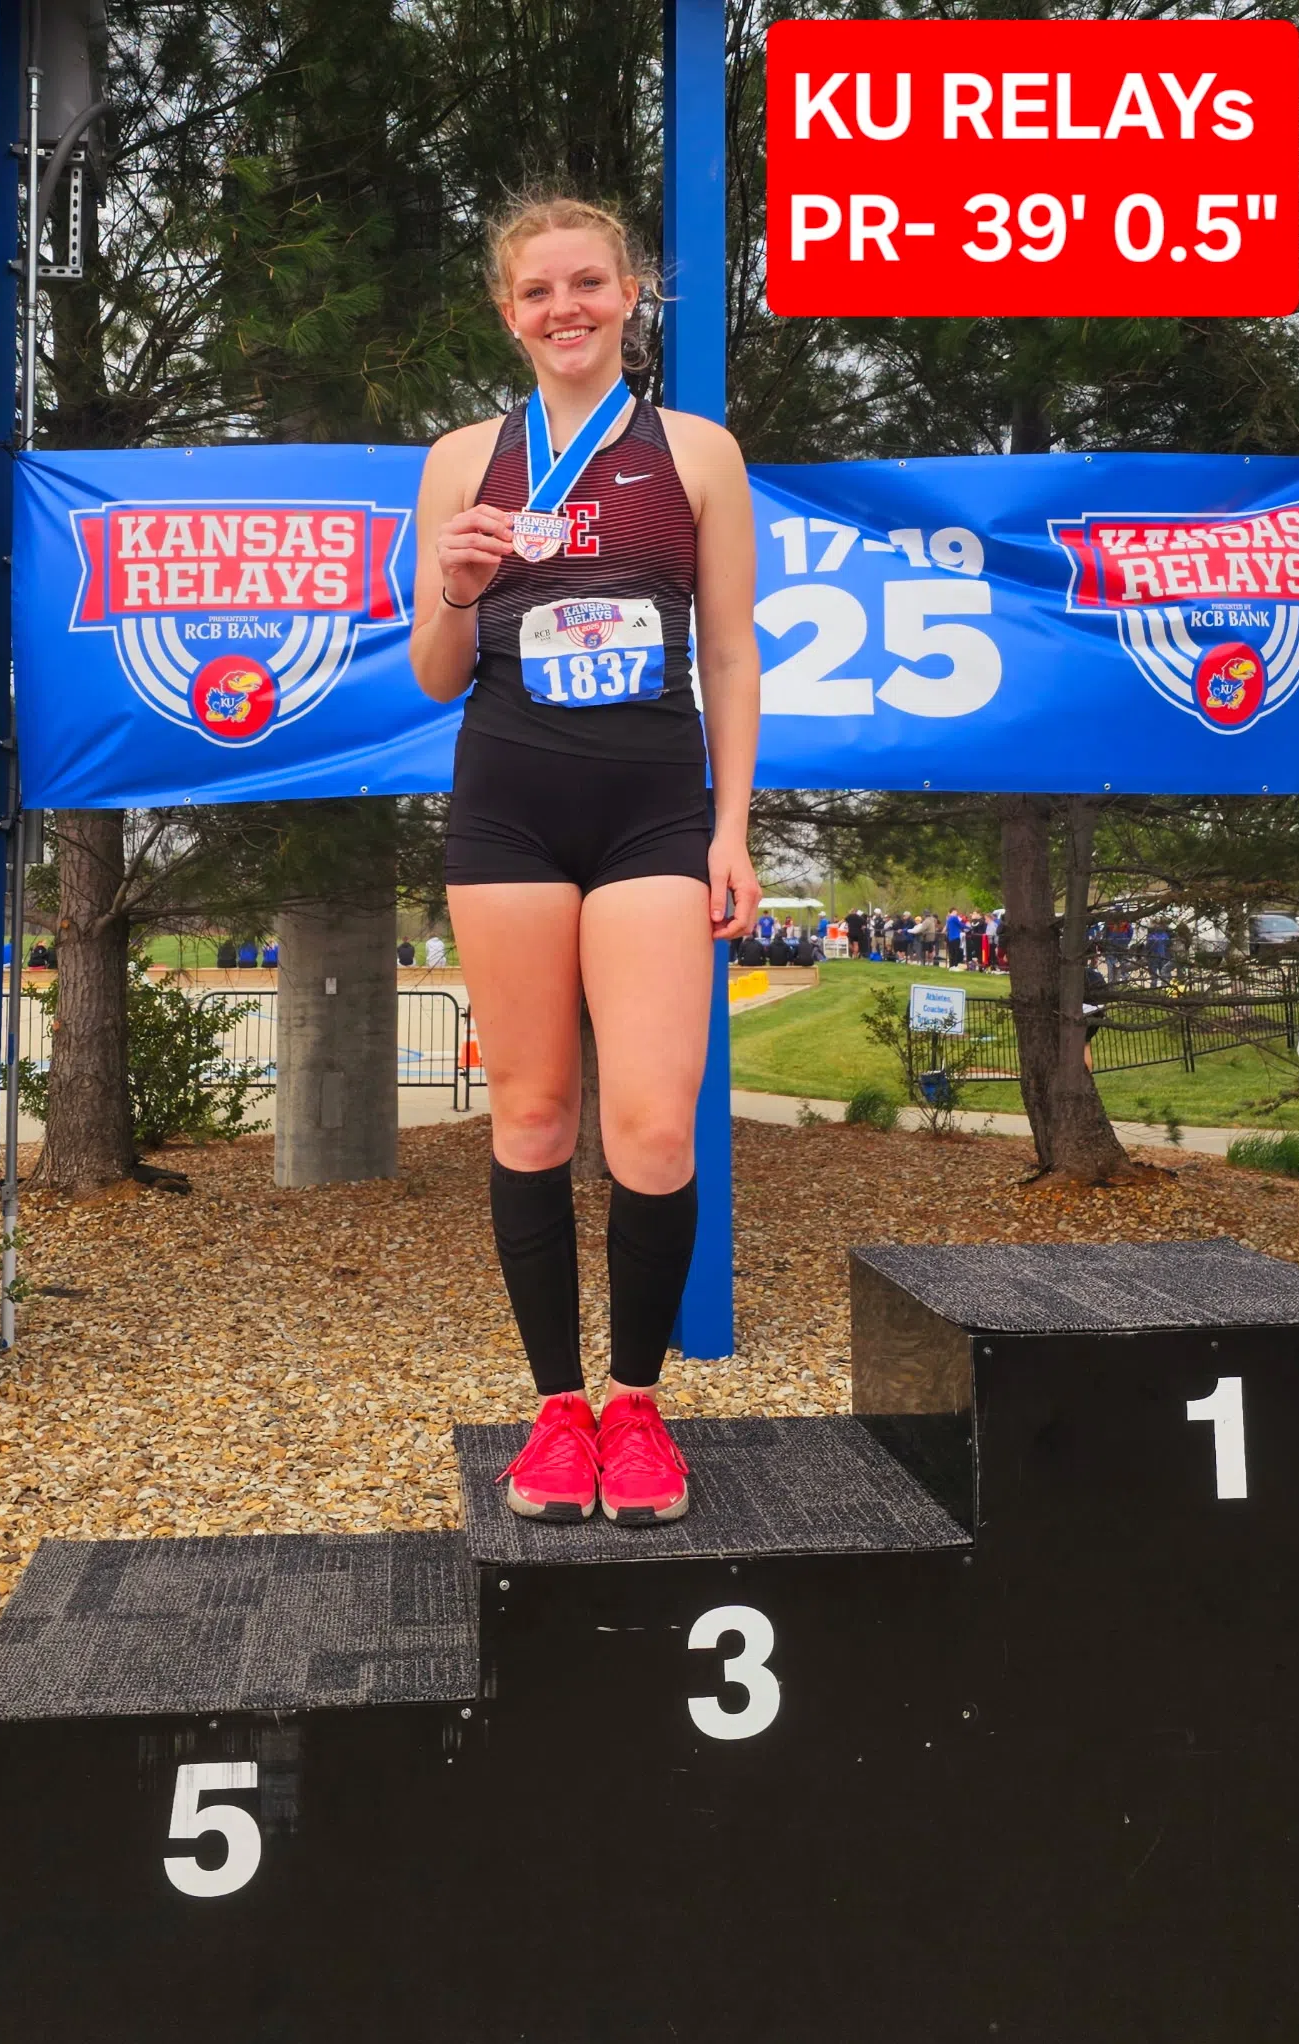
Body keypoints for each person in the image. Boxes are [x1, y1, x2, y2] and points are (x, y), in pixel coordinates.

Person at [410, 193, 760, 1526]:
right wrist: (455, 587)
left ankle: (638, 1404)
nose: (565, 308)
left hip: (653, 814)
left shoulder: (697, 452)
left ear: (630, 294)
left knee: (654, 1126)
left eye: (588, 283)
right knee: (534, 1119)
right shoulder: (463, 460)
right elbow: (436, 671)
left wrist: (732, 829)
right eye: (538, 291)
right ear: (508, 314)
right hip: (507, 808)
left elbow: (729, 650)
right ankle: (559, 1410)